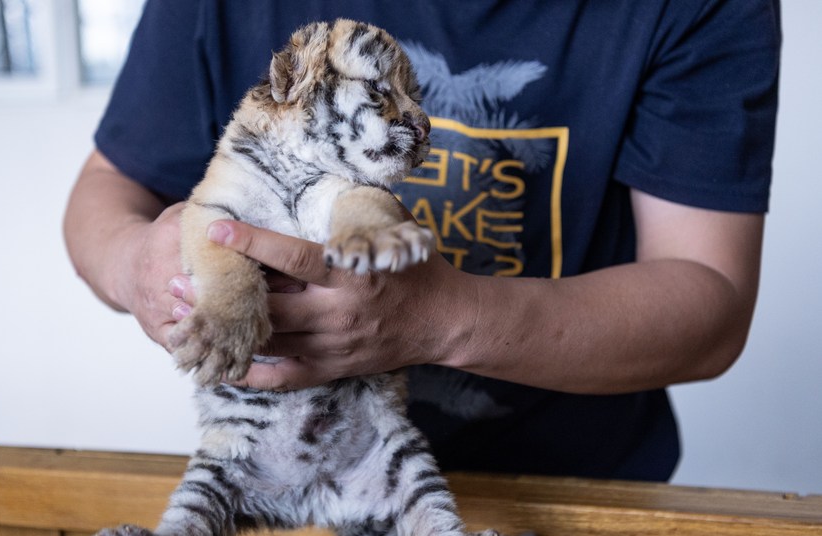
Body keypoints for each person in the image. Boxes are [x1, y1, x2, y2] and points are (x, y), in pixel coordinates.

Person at [63, 0, 781, 482]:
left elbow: (707, 302)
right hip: (291, 494)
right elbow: (107, 189)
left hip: (575, 504)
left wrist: (436, 320)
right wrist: (141, 267)